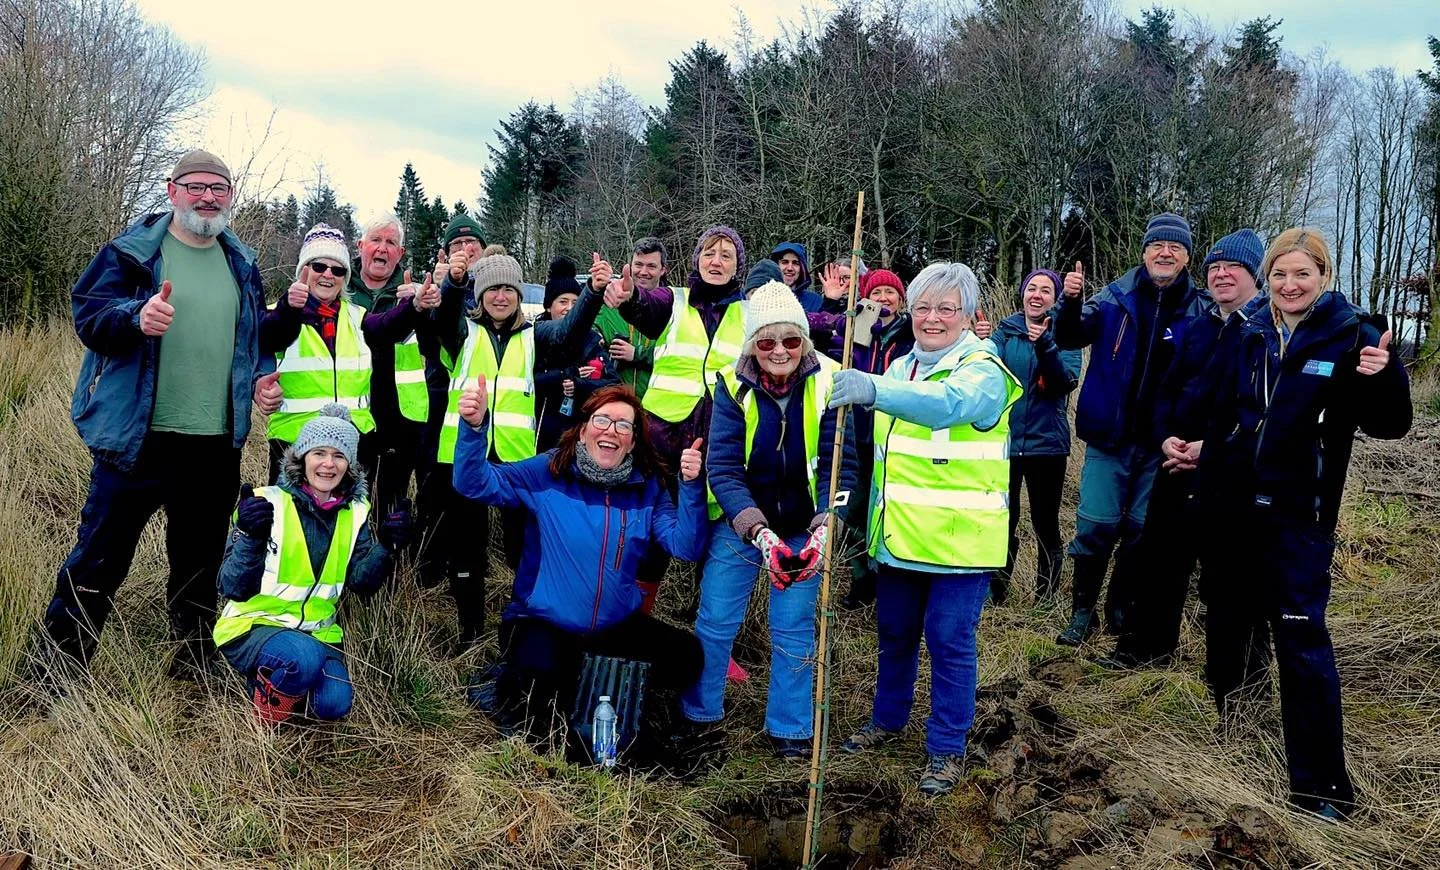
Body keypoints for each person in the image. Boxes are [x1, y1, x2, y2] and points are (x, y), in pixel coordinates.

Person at [1200, 228, 1410, 819]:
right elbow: (1223, 418)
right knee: (1229, 622)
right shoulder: (1249, 332)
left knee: (1301, 643)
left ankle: (1322, 789)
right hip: (1237, 511)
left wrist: (1384, 374)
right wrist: (1206, 492)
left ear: (1323, 276)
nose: (1289, 286)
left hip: (1301, 517)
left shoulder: (1352, 334)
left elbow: (1392, 425)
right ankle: (1234, 729)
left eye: (1302, 275)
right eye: (1279, 275)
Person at [44, 149, 277, 679]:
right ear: (172, 191)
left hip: (216, 444)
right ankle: (56, 672)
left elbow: (254, 337)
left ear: (229, 198)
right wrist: (136, 316)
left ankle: (193, 662)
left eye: (218, 188)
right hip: (137, 440)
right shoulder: (130, 255)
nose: (207, 197)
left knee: (199, 564)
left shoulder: (241, 262)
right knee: (99, 558)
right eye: (195, 186)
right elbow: (90, 316)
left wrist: (262, 374)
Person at [829, 262, 1021, 797]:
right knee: (893, 634)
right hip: (900, 542)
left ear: (968, 316)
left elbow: (947, 407)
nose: (932, 319)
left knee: (949, 641)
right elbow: (886, 463)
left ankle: (945, 749)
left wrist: (870, 390)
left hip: (960, 547)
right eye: (924, 308)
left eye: (946, 309)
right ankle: (887, 722)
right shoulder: (897, 371)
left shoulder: (983, 369)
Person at [452, 382, 707, 740]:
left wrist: (692, 485)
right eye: (603, 420)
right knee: (546, 690)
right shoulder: (548, 471)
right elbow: (473, 483)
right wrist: (474, 428)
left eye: (624, 425)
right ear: (584, 428)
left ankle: (606, 688)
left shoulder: (648, 486)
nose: (611, 431)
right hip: (542, 621)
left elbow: (686, 546)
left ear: (632, 442)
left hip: (613, 627)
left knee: (688, 656)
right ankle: (535, 684)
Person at [678, 281, 857, 759]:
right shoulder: (730, 386)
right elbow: (723, 467)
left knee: (794, 627)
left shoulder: (833, 382)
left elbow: (845, 465)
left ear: (805, 340)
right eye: (767, 341)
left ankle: (791, 730)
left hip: (804, 528)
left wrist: (827, 523)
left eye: (791, 340)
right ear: (752, 345)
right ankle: (700, 715)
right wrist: (757, 531)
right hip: (743, 526)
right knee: (715, 620)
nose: (780, 351)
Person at [416, 253, 606, 648]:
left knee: (523, 547)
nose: (500, 297)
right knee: (467, 546)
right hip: (466, 454)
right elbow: (445, 314)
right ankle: (470, 630)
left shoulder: (536, 335)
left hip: (516, 458)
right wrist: (453, 281)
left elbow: (570, 329)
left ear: (519, 295)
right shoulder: (462, 333)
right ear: (479, 295)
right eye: (491, 290)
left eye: (508, 289)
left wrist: (593, 292)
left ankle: (520, 623)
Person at [1096, 229, 1265, 669]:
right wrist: (1164, 437)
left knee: (1227, 580)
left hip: (1230, 473)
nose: (1221, 275)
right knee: (1159, 560)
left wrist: (1214, 449)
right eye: (1214, 268)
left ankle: (1234, 677)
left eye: (1234, 267)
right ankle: (1147, 649)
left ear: (1256, 275)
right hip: (1177, 464)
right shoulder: (1198, 327)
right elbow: (1165, 392)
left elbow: (1262, 412)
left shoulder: (1265, 330)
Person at [1052, 212, 1204, 645]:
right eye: (1158, 245)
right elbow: (1069, 336)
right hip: (1108, 438)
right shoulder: (1113, 298)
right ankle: (1082, 612)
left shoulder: (1199, 309)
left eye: (1175, 247)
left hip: (1161, 446)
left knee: (1140, 531)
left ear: (1187, 258)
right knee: (1095, 525)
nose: (1165, 252)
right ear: (1144, 252)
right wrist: (1070, 301)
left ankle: (1121, 604)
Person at [214, 405, 408, 722]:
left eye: (339, 455)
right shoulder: (265, 503)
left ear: (350, 465)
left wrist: (387, 547)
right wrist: (250, 537)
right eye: (319, 453)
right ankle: (265, 716)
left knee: (334, 704)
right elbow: (231, 586)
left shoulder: (356, 512)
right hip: (252, 626)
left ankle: (274, 685)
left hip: (318, 634)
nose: (328, 464)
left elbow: (361, 583)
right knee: (303, 659)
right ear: (302, 458)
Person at [604, 225, 747, 621]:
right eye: (708, 254)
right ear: (696, 261)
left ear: (738, 266)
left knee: (720, 535)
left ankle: (710, 633)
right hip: (663, 441)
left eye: (726, 256)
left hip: (722, 444)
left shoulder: (751, 312)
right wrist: (630, 297)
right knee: (653, 534)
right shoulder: (674, 300)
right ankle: (633, 620)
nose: (716, 262)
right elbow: (646, 307)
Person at [977, 269, 1081, 606]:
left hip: (1047, 445)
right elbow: (983, 372)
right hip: (1004, 443)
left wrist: (1046, 344)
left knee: (1045, 523)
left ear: (1054, 298)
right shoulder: (1004, 332)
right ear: (1022, 294)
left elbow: (1063, 382)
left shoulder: (1065, 334)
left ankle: (1045, 596)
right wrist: (978, 343)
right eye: (1031, 288)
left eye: (1046, 290)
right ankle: (997, 590)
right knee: (1002, 519)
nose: (1037, 295)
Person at [259, 224, 376, 483]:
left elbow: (393, 325)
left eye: (337, 270)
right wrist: (289, 307)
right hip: (292, 444)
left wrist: (416, 305)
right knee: (288, 519)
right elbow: (267, 340)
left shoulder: (358, 318)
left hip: (347, 444)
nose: (328, 275)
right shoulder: (274, 314)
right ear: (303, 270)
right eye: (319, 266)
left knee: (348, 519)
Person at [344, 214, 431, 517]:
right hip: (351, 414)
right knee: (345, 502)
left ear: (401, 253)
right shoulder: (337, 287)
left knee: (389, 507)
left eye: (391, 242)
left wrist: (422, 309)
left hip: (400, 419)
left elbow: (437, 348)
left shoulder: (416, 294)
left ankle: (392, 563)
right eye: (376, 240)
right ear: (360, 245)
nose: (382, 248)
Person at [838, 268, 914, 610]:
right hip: (857, 435)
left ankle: (890, 581)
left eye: (890, 292)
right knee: (854, 510)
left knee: (889, 509)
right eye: (877, 292)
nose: (884, 298)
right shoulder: (856, 333)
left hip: (895, 436)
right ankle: (861, 581)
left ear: (901, 299)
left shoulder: (912, 335)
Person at [535, 256, 619, 451]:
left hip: (579, 433)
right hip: (539, 434)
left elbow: (613, 383)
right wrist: (563, 376)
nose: (569, 308)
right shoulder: (535, 335)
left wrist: (580, 385)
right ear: (548, 306)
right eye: (563, 301)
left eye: (575, 302)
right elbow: (529, 380)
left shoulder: (591, 340)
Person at [594, 239, 663, 398]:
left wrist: (637, 354)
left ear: (663, 270)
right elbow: (583, 336)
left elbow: (681, 356)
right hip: (616, 408)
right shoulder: (610, 303)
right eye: (638, 265)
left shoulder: (672, 307)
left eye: (651, 266)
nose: (643, 272)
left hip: (657, 410)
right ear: (630, 266)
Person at [769, 242, 823, 310]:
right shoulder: (763, 298)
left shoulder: (815, 302)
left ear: (802, 268)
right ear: (776, 265)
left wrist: (832, 301)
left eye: (795, 263)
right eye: (785, 262)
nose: (790, 268)